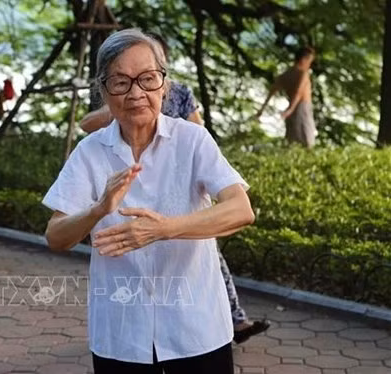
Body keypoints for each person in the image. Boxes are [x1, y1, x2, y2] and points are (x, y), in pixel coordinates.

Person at [43, 29, 255, 373]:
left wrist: (164, 229)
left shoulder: (192, 140)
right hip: (121, 333)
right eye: (121, 82)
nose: (136, 93)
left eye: (148, 79)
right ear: (103, 90)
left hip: (196, 328)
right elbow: (55, 235)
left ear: (164, 85)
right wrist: (97, 210)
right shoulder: (90, 152)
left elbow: (240, 209)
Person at [256, 47, 316, 148]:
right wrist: (290, 109)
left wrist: (261, 110)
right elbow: (298, 92)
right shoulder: (303, 73)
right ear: (303, 59)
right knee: (306, 142)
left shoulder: (285, 74)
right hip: (302, 109)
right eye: (309, 61)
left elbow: (272, 91)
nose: (309, 64)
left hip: (292, 110)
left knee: (292, 142)